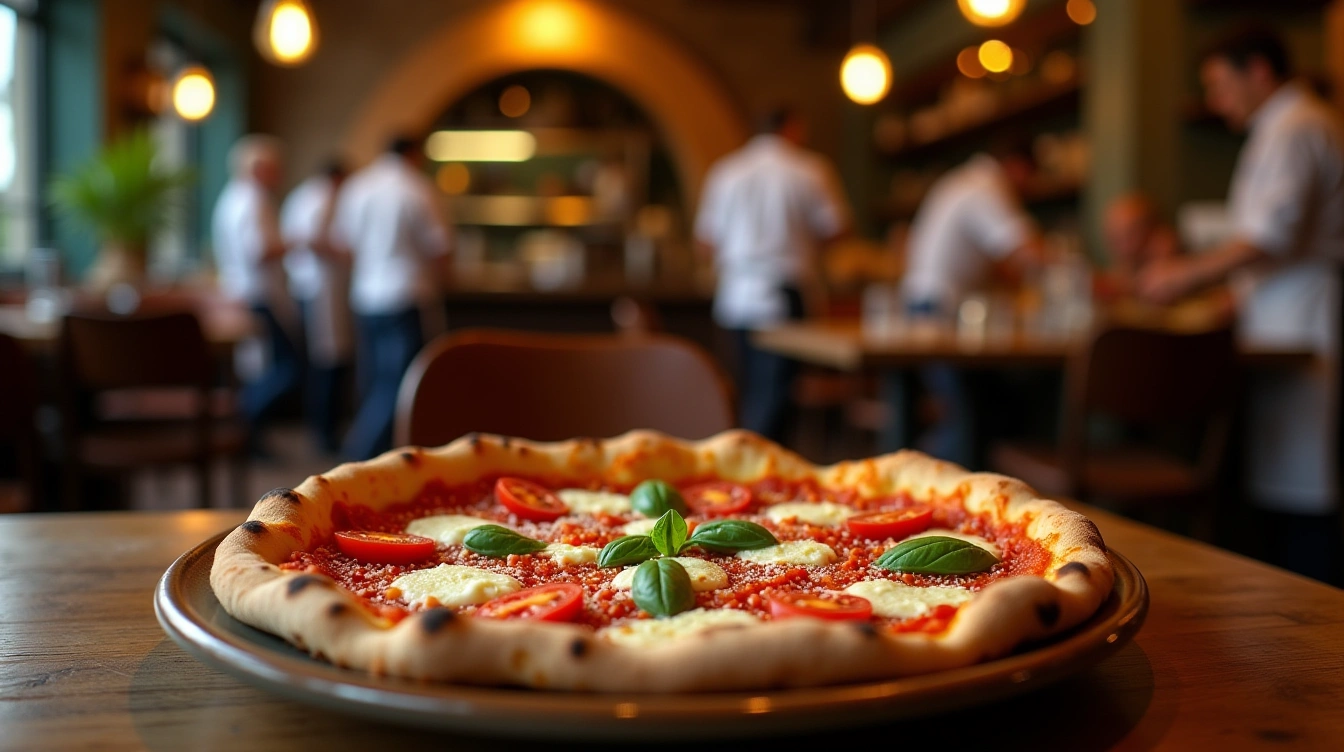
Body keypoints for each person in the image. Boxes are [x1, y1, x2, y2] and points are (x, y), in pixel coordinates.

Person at [1138, 25, 1344, 584]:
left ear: (1259, 70)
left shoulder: (1297, 125)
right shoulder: (1282, 127)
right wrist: (1232, 293)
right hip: (1281, 311)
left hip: (1306, 317)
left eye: (1219, 83)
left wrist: (1184, 274)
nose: (1214, 100)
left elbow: (1272, 235)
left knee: (1305, 481)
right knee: (1286, 475)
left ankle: (1312, 616)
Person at [693, 106, 852, 443]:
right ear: (792, 128)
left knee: (747, 389)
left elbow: (705, 242)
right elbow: (837, 230)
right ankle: (758, 465)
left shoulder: (726, 172)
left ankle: (747, 461)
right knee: (776, 397)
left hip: (735, 294)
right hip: (785, 292)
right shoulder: (809, 169)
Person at [898, 139, 1045, 466]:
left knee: (971, 410)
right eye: (1029, 179)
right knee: (964, 416)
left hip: (922, 303)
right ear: (1018, 167)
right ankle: (934, 496)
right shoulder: (987, 187)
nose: (1028, 189)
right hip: (937, 309)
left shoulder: (961, 180)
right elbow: (1028, 254)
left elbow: (1000, 263)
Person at [332, 135, 451, 461]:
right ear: (413, 154)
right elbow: (440, 247)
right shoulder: (416, 187)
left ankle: (373, 458)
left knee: (374, 381)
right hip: (405, 296)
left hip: (366, 297)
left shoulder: (358, 187)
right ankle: (361, 455)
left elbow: (344, 246)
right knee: (399, 385)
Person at [211, 134, 301, 458]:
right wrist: (295, 241)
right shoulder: (253, 200)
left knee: (263, 370)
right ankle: (243, 423)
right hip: (259, 295)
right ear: (259, 167)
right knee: (286, 369)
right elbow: (260, 251)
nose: (279, 174)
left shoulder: (232, 197)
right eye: (275, 168)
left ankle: (248, 431)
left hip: (244, 292)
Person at [281, 158, 351, 457]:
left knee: (323, 361)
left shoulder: (302, 195)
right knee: (325, 362)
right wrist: (345, 254)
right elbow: (312, 239)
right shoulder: (321, 197)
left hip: (311, 289)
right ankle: (323, 432)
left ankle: (323, 429)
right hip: (320, 291)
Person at [1097, 192, 1182, 300]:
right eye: (1114, 236)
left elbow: (1159, 284)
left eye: (1130, 233)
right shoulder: (1126, 268)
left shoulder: (1171, 257)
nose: (1122, 246)